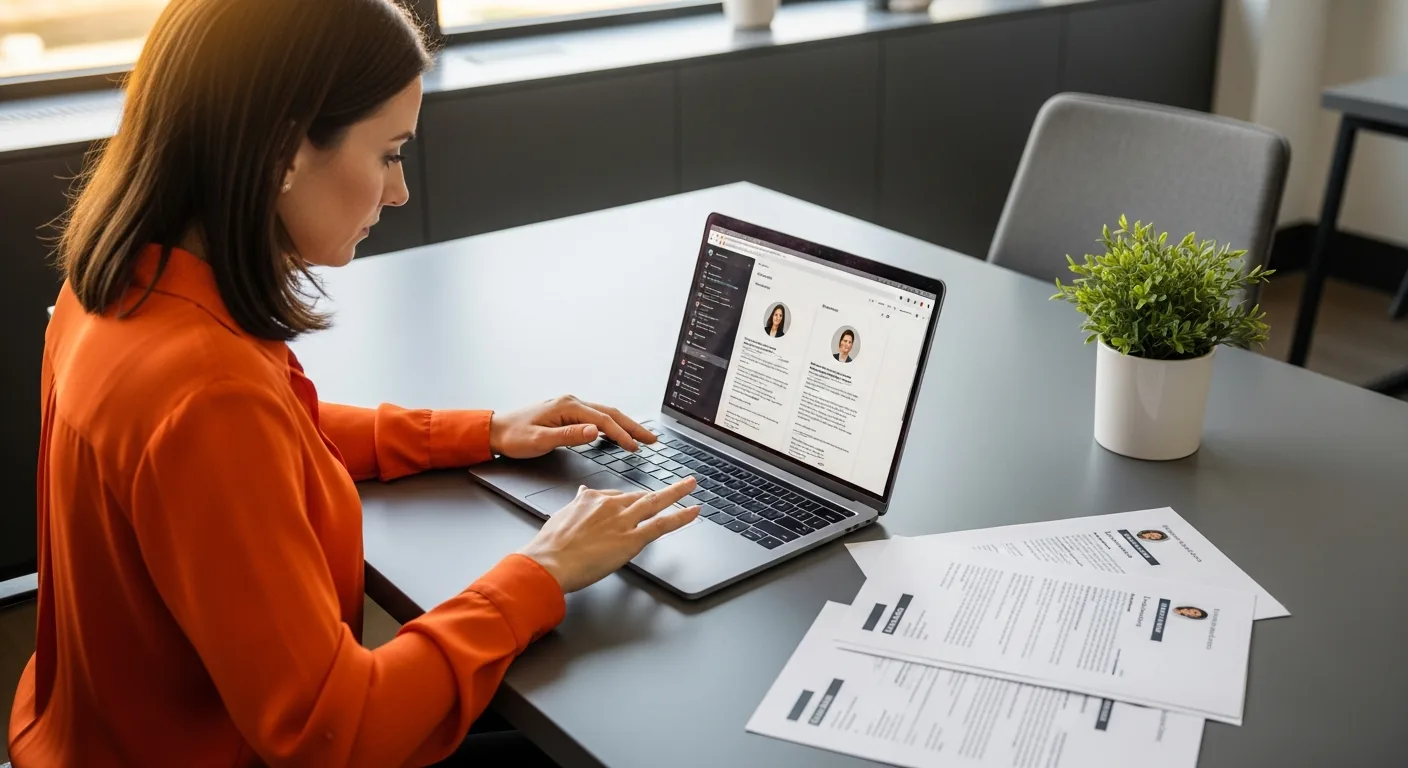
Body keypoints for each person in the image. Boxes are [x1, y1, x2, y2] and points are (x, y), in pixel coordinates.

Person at [6, 1, 698, 766]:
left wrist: (483, 430)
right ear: (283, 151)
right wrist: (542, 571)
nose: (398, 192)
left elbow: (270, 439)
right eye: (389, 154)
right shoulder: (207, 395)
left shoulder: (121, 285)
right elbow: (334, 732)